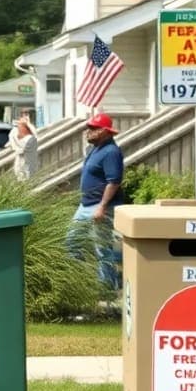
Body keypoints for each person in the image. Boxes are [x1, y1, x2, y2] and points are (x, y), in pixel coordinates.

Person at [67, 113, 126, 290]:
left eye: (93, 128)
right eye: (89, 128)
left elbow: (114, 181)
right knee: (72, 241)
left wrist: (102, 207)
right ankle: (81, 279)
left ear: (105, 131)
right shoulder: (96, 149)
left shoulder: (111, 152)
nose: (88, 132)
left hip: (100, 206)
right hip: (85, 205)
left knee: (102, 247)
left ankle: (107, 285)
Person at [5, 113, 39, 181]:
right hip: (20, 155)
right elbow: (11, 142)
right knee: (19, 171)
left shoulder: (30, 129)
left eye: (26, 117)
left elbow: (35, 137)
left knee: (28, 172)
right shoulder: (14, 131)